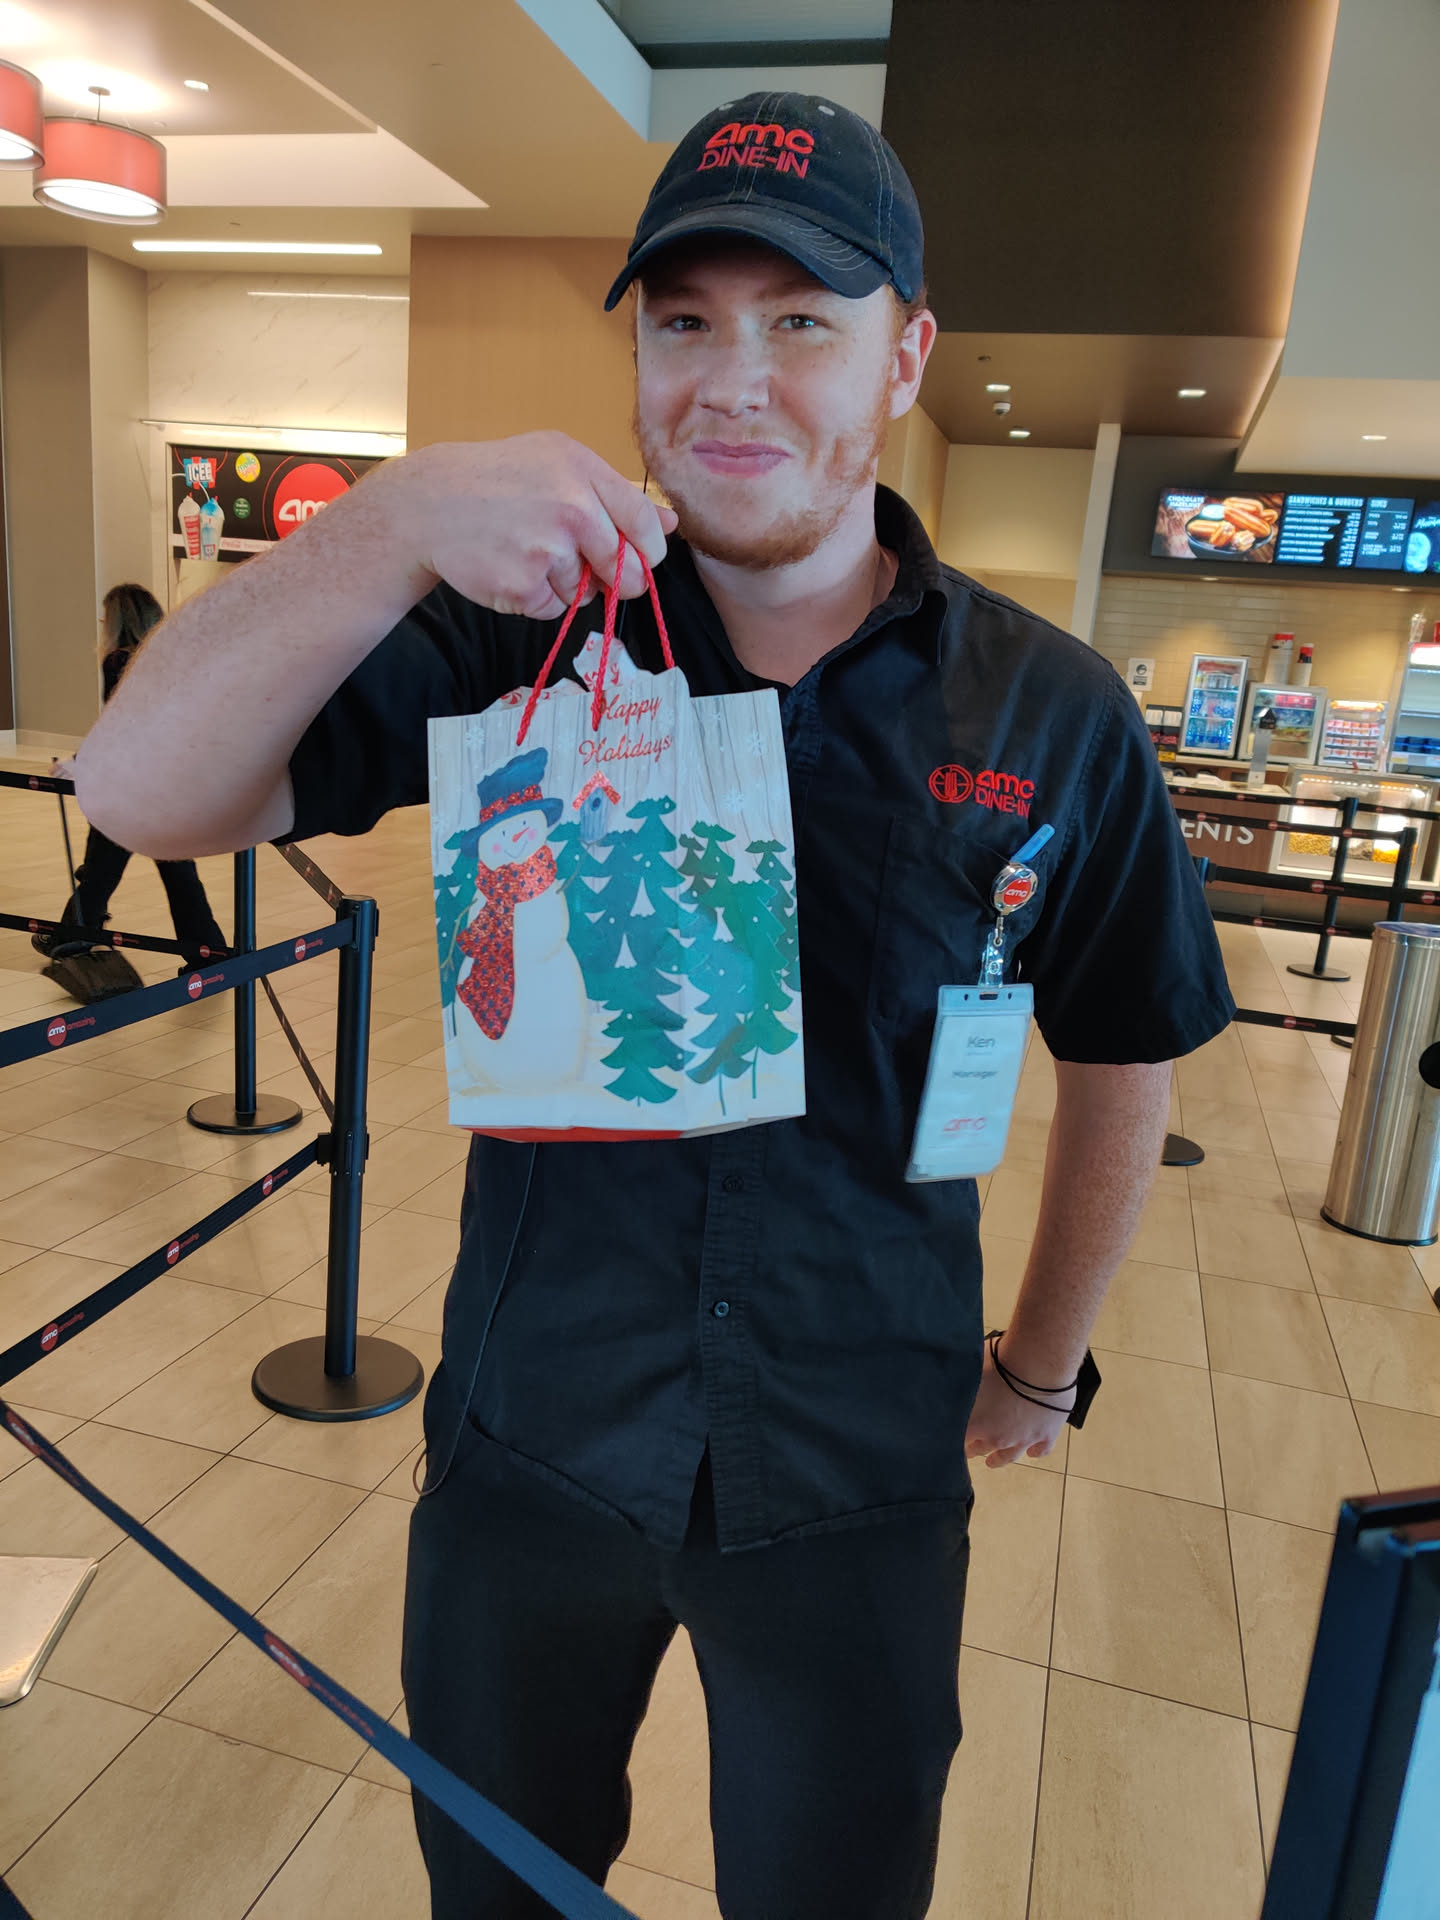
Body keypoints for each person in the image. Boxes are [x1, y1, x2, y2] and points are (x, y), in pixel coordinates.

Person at [76, 94, 1235, 1920]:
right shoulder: (516, 637)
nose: (733, 381)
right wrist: (388, 522)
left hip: (857, 1467)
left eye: (803, 321)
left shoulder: (1049, 710)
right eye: (685, 321)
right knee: (501, 1888)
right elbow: (139, 791)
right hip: (535, 1440)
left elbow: (1123, 1047)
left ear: (906, 356)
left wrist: (1041, 1359)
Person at [36, 583, 226, 972]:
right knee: (177, 874)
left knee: (101, 868)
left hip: (130, 785)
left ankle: (73, 936)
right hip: (170, 783)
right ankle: (209, 953)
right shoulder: (175, 659)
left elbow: (121, 723)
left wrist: (81, 761)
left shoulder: (120, 661)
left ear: (119, 622)